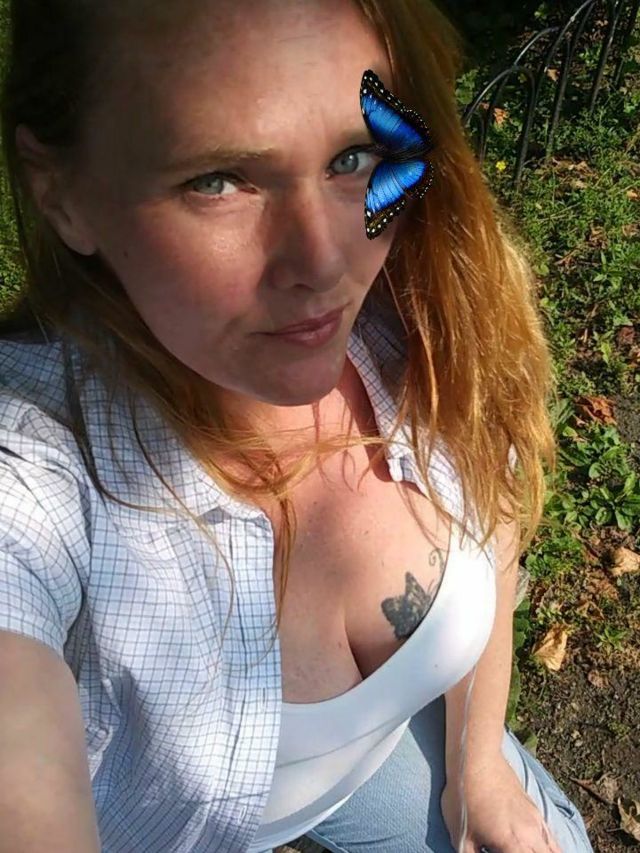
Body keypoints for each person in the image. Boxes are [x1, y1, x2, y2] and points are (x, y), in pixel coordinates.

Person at [0, 1, 594, 851]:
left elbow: (491, 525)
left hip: (386, 761)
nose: (323, 263)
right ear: (62, 194)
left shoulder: (426, 320)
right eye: (217, 180)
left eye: (353, 157)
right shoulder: (34, 462)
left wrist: (480, 768)